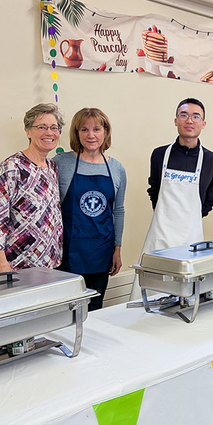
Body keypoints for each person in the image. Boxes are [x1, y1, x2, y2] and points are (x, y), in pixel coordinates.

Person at [131, 98, 213, 300]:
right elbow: (154, 189)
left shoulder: (211, 160)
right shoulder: (159, 154)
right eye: (184, 115)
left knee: (187, 293)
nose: (190, 120)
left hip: (191, 235)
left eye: (196, 116)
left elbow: (210, 197)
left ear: (203, 123)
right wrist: (165, 215)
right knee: (152, 288)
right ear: (176, 121)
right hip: (160, 234)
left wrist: (191, 218)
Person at [54, 108, 126, 311]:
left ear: (106, 132)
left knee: (95, 308)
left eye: (96, 129)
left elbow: (118, 211)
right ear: (76, 133)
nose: (91, 135)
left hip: (101, 252)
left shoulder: (117, 168)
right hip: (68, 252)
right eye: (84, 129)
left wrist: (117, 249)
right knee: (66, 310)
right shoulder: (62, 164)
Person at [0, 103, 65, 273]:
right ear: (28, 131)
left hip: (52, 262)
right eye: (42, 127)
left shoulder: (52, 167)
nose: (49, 133)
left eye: (54, 127)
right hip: (19, 263)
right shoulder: (12, 166)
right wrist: (0, 261)